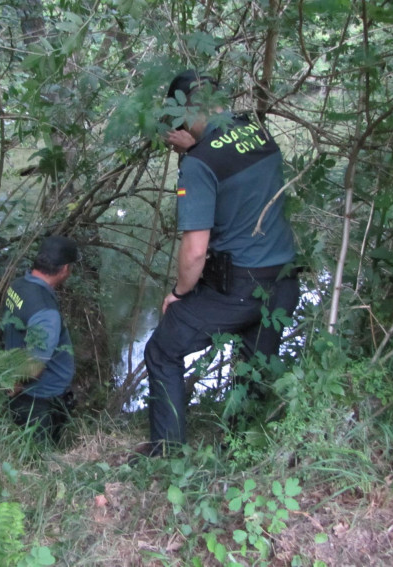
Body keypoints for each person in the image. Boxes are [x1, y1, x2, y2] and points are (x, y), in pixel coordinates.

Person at [140, 70, 300, 457]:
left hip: (238, 288)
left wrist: (179, 294)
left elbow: (195, 251)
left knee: (163, 349)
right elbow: (236, 176)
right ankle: (240, 449)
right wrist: (196, 150)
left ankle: (168, 451)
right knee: (255, 361)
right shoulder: (259, 135)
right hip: (283, 280)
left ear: (185, 110)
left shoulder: (199, 164)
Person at [1, 235, 80, 444]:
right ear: (64, 269)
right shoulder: (46, 312)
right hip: (39, 401)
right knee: (39, 459)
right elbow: (35, 366)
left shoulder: (17, 286)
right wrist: (16, 384)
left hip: (19, 391)